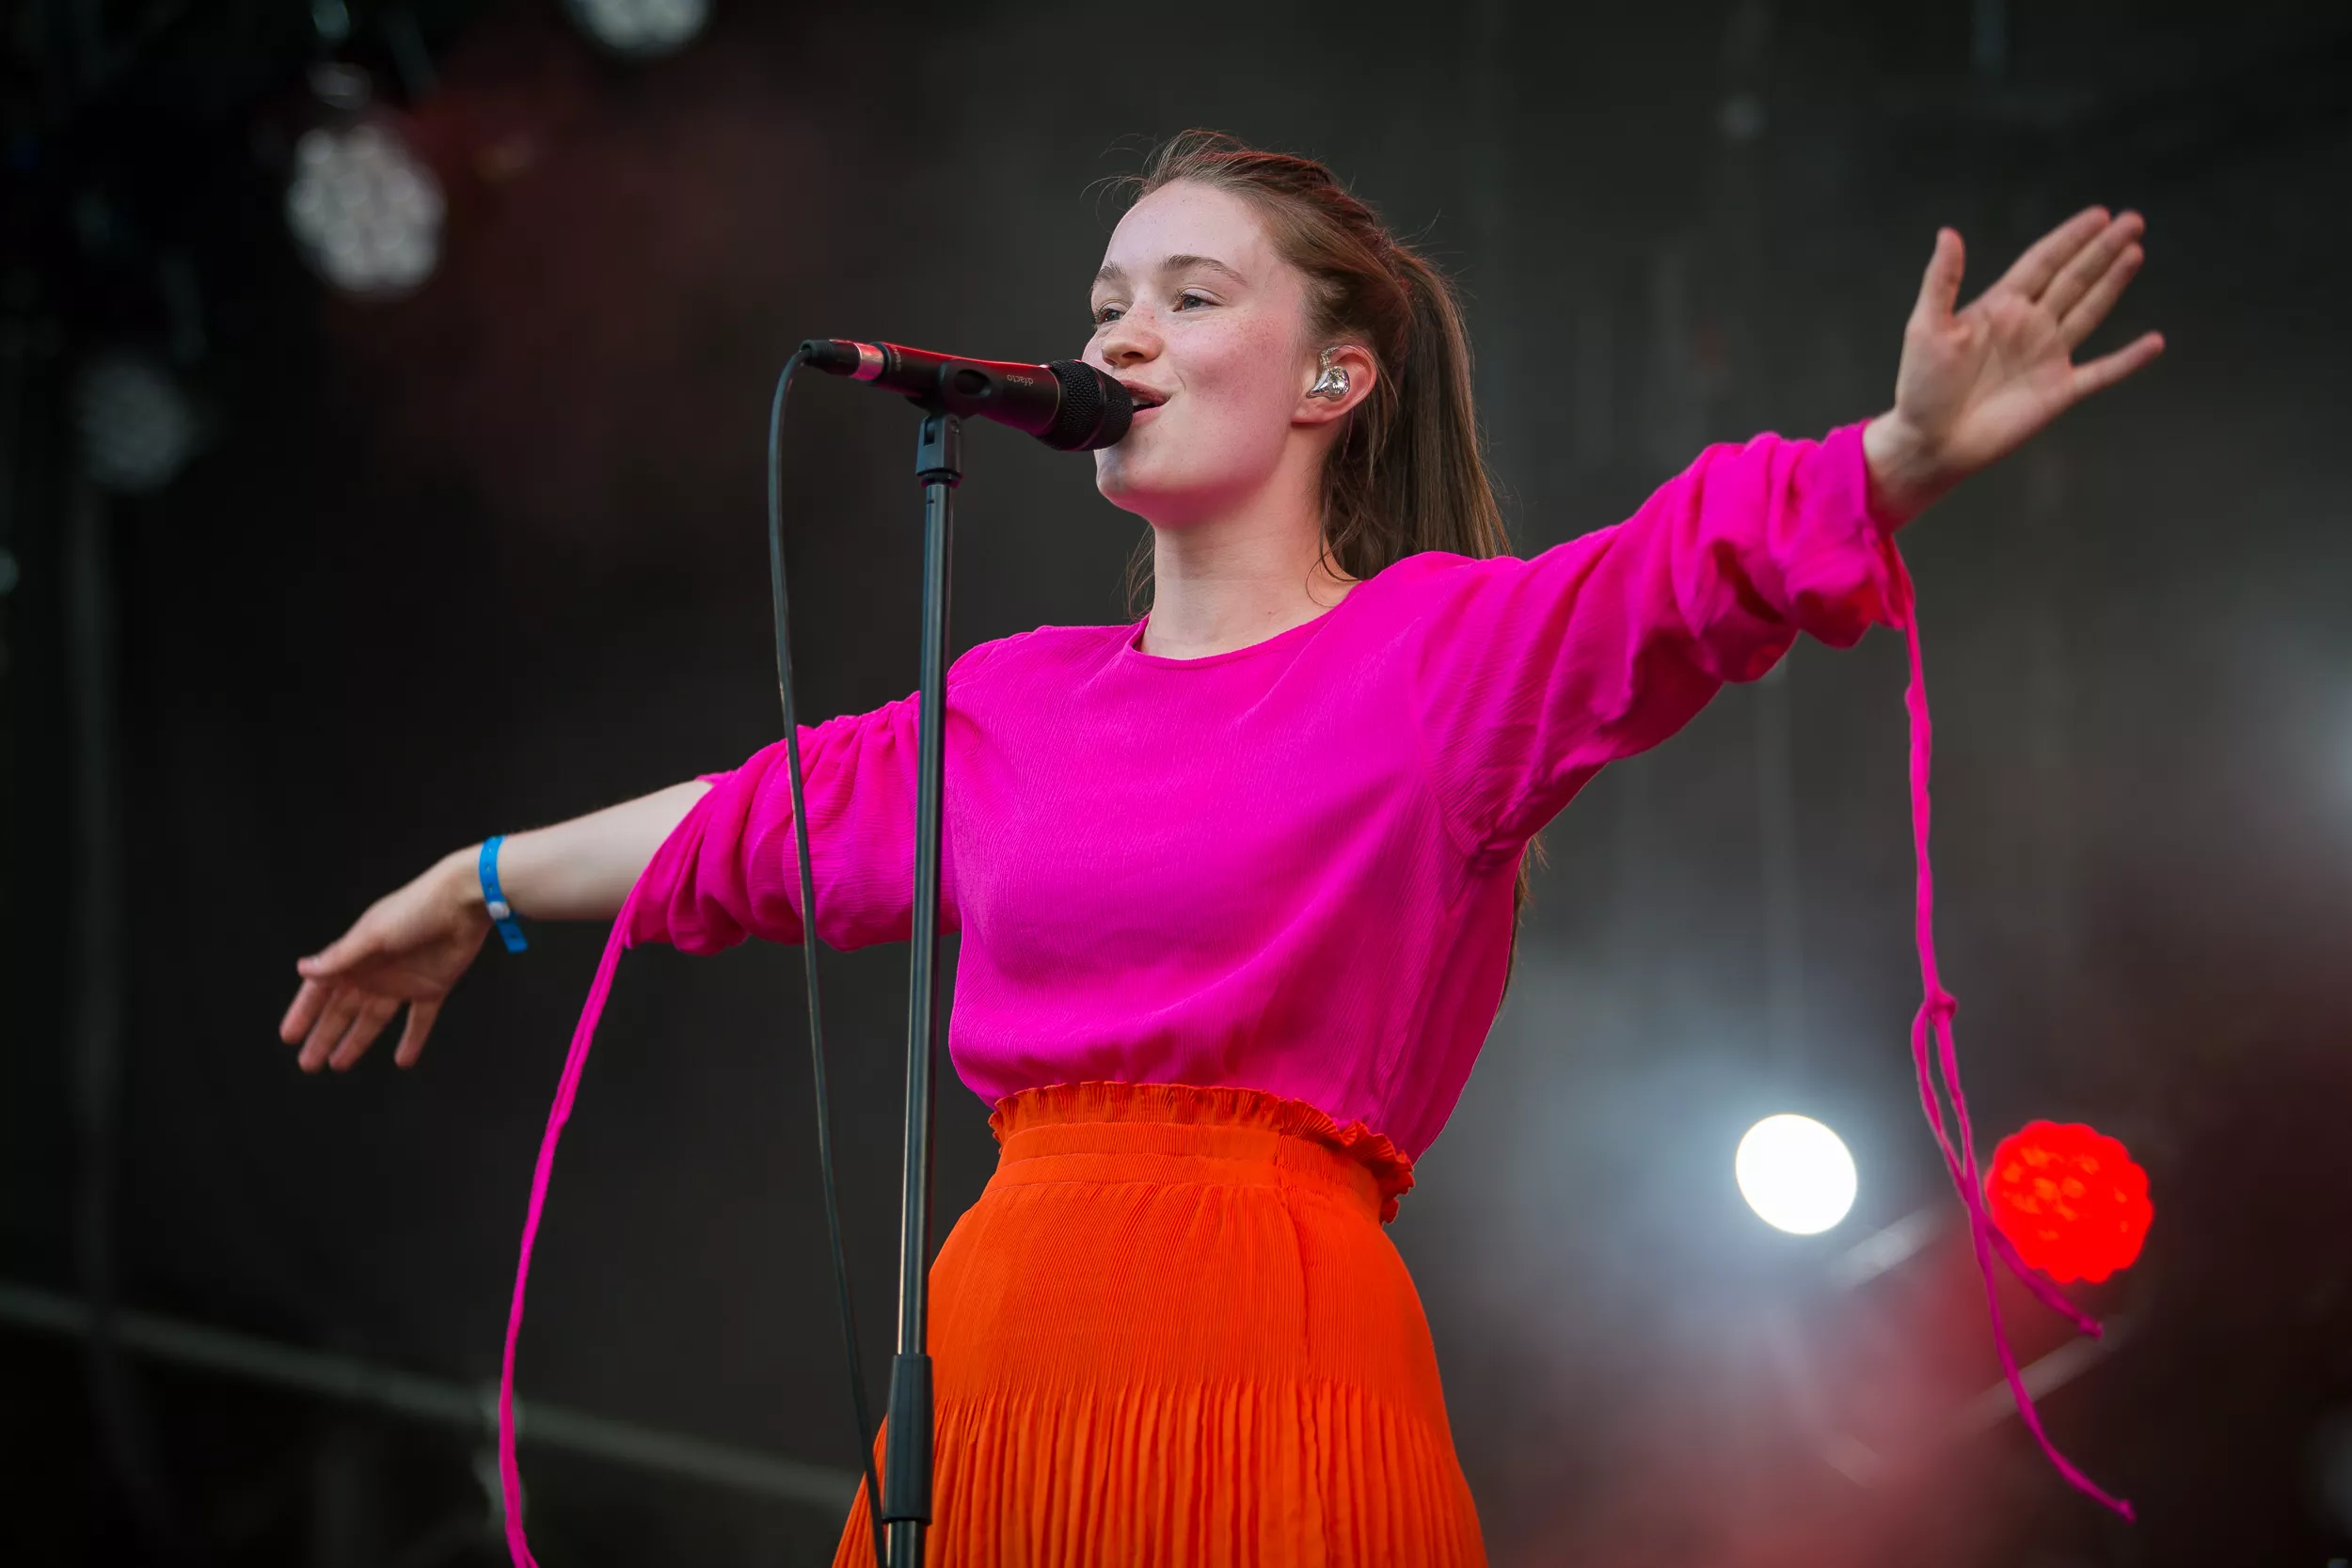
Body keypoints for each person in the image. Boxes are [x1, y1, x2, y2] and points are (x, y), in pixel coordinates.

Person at [278, 133, 2161, 1566]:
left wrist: (1894, 457)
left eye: (1187, 294)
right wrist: (475, 879)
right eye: (1108, 296)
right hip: (1003, 1350)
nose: (1116, 331)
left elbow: (1675, 576)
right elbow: (763, 813)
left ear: (1333, 380)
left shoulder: (1439, 653)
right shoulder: (1017, 703)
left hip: (1275, 1354)